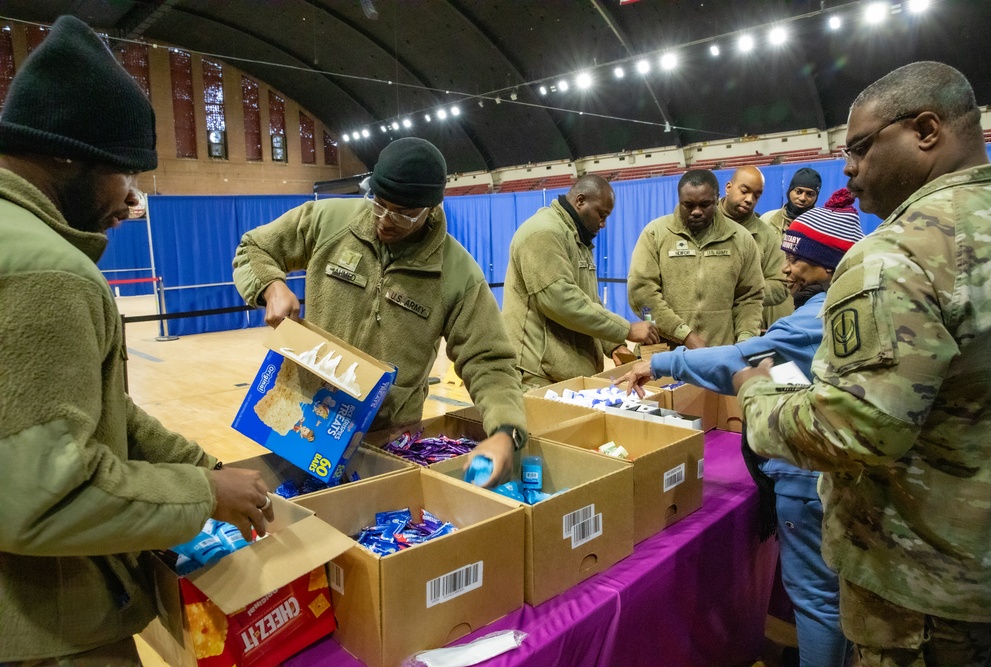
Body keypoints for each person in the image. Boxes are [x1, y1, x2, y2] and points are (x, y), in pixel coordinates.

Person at [0, 17, 273, 665]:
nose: (128, 200)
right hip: (42, 631)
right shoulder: (46, 271)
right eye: (124, 172)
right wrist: (204, 495)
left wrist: (205, 468)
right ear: (67, 152)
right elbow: (45, 493)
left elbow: (98, 415)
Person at [734, 61, 991, 665]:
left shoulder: (901, 252)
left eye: (858, 148)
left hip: (923, 591)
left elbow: (854, 430)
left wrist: (755, 396)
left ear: (926, 129)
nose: (848, 170)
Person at [618, 189, 864, 667]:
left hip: (804, 471)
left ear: (829, 268)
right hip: (831, 465)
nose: (788, 267)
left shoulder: (813, 321)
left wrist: (665, 361)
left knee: (814, 597)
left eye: (799, 259)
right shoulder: (850, 307)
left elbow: (738, 359)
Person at [233, 137, 527, 486]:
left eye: (403, 214)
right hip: (305, 421)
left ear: (432, 208)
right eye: (379, 204)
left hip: (388, 441)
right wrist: (271, 285)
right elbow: (253, 248)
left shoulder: (457, 273)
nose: (386, 221)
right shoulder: (328, 221)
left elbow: (489, 362)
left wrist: (505, 431)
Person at [501, 175, 659, 389]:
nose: (603, 224)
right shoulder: (543, 233)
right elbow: (561, 301)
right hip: (536, 375)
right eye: (601, 215)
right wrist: (626, 329)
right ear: (580, 201)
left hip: (566, 375)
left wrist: (614, 345)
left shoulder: (577, 239)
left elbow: (589, 301)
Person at [627, 169, 764, 349]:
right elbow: (642, 292)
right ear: (679, 200)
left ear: (717, 199)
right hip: (664, 355)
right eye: (688, 205)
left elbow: (750, 297)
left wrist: (745, 339)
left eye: (705, 204)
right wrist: (684, 335)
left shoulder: (740, 238)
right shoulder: (655, 234)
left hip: (719, 353)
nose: (696, 212)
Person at [719, 166, 788, 331]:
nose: (750, 199)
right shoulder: (702, 222)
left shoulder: (766, 235)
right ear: (728, 188)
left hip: (745, 327)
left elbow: (781, 286)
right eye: (744, 191)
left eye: (756, 195)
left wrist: (744, 292)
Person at [760, 167, 823, 325]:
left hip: (806, 302)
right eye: (798, 191)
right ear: (789, 191)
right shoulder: (767, 221)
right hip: (772, 303)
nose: (803, 198)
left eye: (810, 194)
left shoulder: (821, 226)